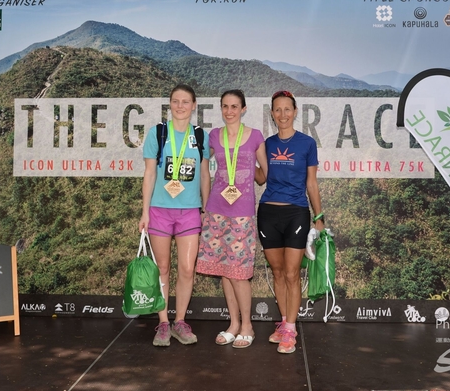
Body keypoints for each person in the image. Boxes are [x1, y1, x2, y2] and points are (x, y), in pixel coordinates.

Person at [139, 84, 210, 347]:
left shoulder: (200, 136)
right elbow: (149, 174)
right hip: (159, 211)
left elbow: (205, 175)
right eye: (176, 101)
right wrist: (145, 212)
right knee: (163, 268)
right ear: (170, 104)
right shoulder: (157, 133)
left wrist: (205, 209)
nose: (180, 106)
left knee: (187, 269)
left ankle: (180, 321)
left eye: (185, 101)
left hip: (190, 211)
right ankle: (163, 323)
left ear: (194, 105)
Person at [196, 89, 268, 349]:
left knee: (239, 273)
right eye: (225, 106)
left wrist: (246, 168)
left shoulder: (256, 136)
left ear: (243, 108)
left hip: (242, 213)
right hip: (216, 210)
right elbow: (202, 166)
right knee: (225, 271)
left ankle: (247, 325)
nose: (229, 111)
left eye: (234, 106)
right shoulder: (214, 136)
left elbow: (264, 175)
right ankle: (234, 324)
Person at [257, 90, 325, 354]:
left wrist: (319, 217)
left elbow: (311, 183)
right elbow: (261, 178)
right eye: (277, 109)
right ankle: (284, 322)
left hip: (296, 212)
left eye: (287, 109)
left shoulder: (307, 143)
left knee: (292, 273)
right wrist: (241, 159)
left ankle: (290, 329)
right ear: (272, 114)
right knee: (277, 272)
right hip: (268, 213)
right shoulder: (266, 144)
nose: (282, 114)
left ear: (295, 112)